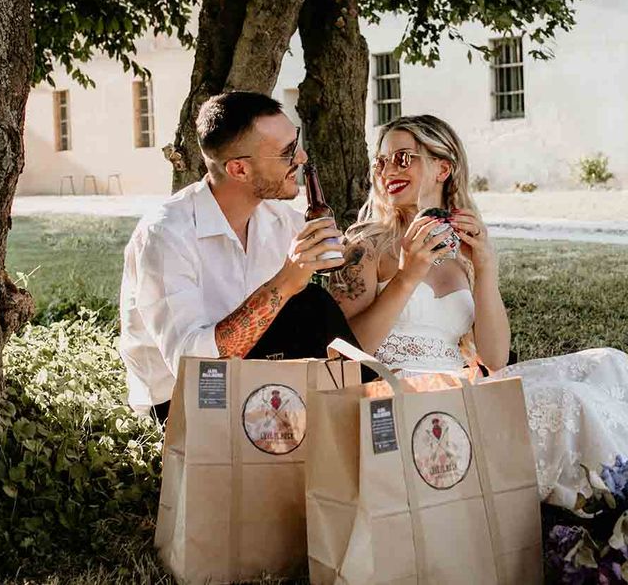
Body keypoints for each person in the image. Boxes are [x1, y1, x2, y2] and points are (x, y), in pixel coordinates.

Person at [330, 113, 628, 509]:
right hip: (406, 397)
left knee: (610, 362)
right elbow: (344, 350)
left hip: (466, 383)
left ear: (443, 168)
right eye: (382, 160)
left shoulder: (463, 252)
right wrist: (405, 277)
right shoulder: (362, 246)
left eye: (404, 157)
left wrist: (486, 268)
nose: (388, 170)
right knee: (568, 398)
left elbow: (495, 357)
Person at [119, 91, 358, 424]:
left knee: (315, 308)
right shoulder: (164, 235)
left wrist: (402, 262)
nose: (301, 157)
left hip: (264, 383)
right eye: (287, 152)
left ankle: (366, 427)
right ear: (239, 169)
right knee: (308, 302)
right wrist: (286, 282)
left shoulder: (279, 220)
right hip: (183, 405)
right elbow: (193, 367)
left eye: (297, 143)